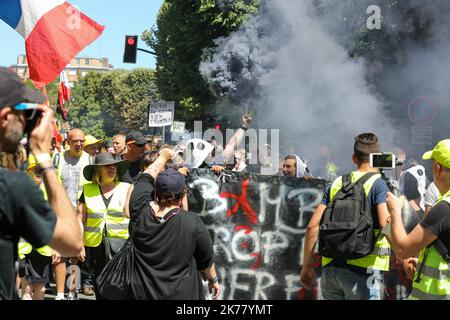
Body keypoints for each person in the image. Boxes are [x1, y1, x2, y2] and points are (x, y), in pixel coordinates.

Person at [0, 67, 82, 300]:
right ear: (6, 118)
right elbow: (72, 242)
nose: (27, 122)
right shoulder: (11, 186)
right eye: (22, 113)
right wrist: (42, 156)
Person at [301, 133, 391, 300]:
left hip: (330, 270)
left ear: (353, 158)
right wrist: (405, 256)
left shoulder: (336, 183)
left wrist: (306, 266)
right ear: (378, 158)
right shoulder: (378, 184)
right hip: (365, 271)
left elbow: (312, 227)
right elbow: (385, 223)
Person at [127, 149, 220, 299]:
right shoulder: (192, 223)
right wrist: (213, 280)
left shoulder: (140, 211)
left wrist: (163, 157)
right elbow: (206, 261)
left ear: (155, 192)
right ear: (183, 194)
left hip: (141, 293)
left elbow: (145, 178)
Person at [386, 139, 450, 300]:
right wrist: (420, 261)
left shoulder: (444, 208)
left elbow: (402, 250)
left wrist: (394, 211)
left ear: (437, 168)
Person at [77, 152, 130, 299]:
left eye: (114, 165)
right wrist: (79, 244)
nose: (112, 168)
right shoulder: (87, 190)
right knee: (100, 284)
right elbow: (80, 219)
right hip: (95, 246)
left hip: (120, 245)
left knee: (119, 286)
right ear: (97, 170)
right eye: (107, 166)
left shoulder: (126, 188)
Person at [53, 128, 91, 299]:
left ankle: (72, 291)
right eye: (75, 141)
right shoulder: (58, 158)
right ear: (68, 142)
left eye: (82, 140)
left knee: (76, 254)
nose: (79, 143)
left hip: (81, 213)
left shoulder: (90, 159)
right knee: (59, 254)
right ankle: (60, 293)